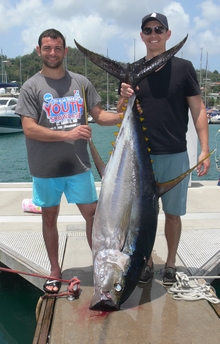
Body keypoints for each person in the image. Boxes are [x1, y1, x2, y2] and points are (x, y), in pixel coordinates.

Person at [15, 28, 122, 294]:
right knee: (49, 218)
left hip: (79, 166)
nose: (53, 52)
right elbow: (29, 128)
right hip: (45, 168)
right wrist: (69, 133)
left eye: (57, 48)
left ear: (65, 51)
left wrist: (125, 108)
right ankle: (54, 270)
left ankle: (100, 265)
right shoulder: (31, 87)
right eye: (47, 48)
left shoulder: (81, 83)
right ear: (39, 51)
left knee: (94, 216)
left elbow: (100, 116)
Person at [117, 13, 210, 286]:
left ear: (168, 34)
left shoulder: (184, 68)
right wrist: (123, 98)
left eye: (159, 29)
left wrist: (204, 149)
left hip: (175, 154)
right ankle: (146, 261)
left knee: (172, 213)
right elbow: (122, 115)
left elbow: (198, 109)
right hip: (138, 157)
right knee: (142, 215)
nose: (153, 34)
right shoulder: (132, 71)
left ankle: (170, 263)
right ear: (142, 35)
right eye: (148, 30)